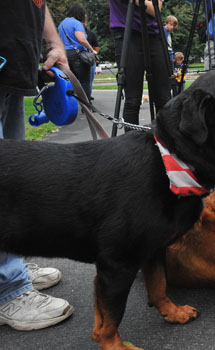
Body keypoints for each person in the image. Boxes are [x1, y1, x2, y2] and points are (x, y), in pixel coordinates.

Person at [0, 2, 74, 330]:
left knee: (10, 176)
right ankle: (7, 287)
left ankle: (7, 262)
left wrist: (53, 43)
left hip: (12, 62)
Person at [109, 0, 172, 128]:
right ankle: (132, 145)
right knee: (133, 99)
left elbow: (156, 8)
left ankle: (165, 142)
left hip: (154, 34)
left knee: (164, 98)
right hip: (126, 31)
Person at [58, 5, 97, 101]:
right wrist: (92, 50)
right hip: (78, 55)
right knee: (84, 82)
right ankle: (87, 106)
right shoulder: (77, 23)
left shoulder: (61, 24)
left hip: (65, 54)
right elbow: (82, 39)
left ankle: (71, 104)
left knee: (71, 80)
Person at [85, 21, 100, 101]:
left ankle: (88, 95)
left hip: (90, 58)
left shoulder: (91, 34)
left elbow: (97, 46)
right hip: (81, 58)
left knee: (90, 79)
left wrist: (94, 54)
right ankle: (85, 96)